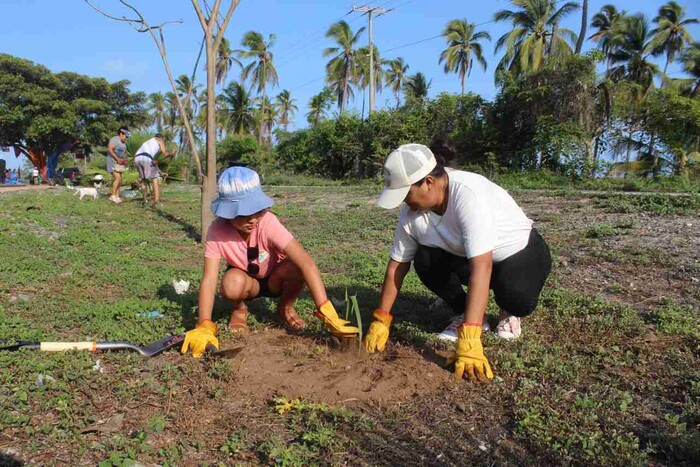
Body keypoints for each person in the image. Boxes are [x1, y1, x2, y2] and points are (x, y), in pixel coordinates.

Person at [363, 142, 552, 382]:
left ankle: (508, 312)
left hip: (519, 253)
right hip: (467, 256)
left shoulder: (468, 195)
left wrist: (470, 339)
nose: (403, 202)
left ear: (428, 182)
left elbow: (481, 266)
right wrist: (382, 318)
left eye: (405, 194)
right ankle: (467, 311)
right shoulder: (411, 213)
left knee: (518, 299)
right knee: (424, 258)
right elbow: (397, 266)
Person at [181, 166, 359, 358]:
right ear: (227, 213)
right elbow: (209, 280)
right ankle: (240, 309)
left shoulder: (267, 222)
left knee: (297, 268)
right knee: (231, 284)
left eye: (256, 210)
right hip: (246, 282)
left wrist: (325, 310)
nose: (252, 219)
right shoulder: (217, 230)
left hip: (275, 277)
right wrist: (204, 323)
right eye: (243, 214)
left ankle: (285, 307)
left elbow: (307, 263)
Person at [133, 133, 175, 205]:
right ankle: (156, 200)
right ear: (161, 138)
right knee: (154, 178)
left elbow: (152, 164)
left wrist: (160, 172)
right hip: (146, 159)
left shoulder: (148, 143)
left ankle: (145, 200)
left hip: (137, 159)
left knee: (144, 180)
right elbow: (165, 154)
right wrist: (172, 154)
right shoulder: (159, 140)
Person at [107, 126, 130, 204]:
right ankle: (112, 196)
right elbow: (110, 149)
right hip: (112, 162)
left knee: (120, 180)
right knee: (117, 178)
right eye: (125, 136)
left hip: (120, 164)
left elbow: (124, 153)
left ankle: (117, 196)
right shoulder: (114, 140)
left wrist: (125, 159)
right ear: (121, 133)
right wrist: (117, 159)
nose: (126, 138)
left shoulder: (123, 143)